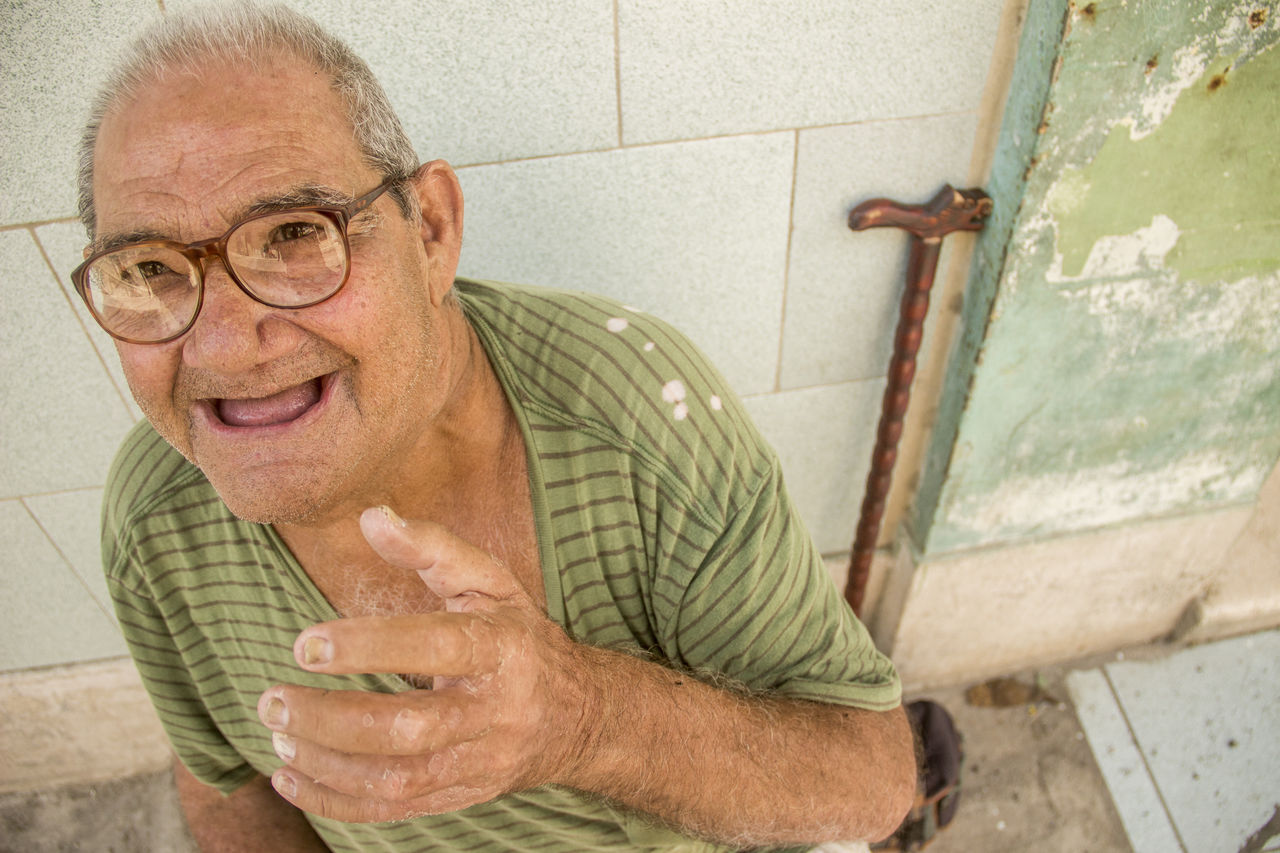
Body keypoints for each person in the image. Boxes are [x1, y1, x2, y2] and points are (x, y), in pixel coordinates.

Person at [73, 3, 915, 850]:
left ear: (431, 230)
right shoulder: (155, 519)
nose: (221, 341)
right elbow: (226, 776)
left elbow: (869, 781)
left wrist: (578, 716)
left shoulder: (640, 422)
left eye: (294, 234)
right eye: (148, 268)